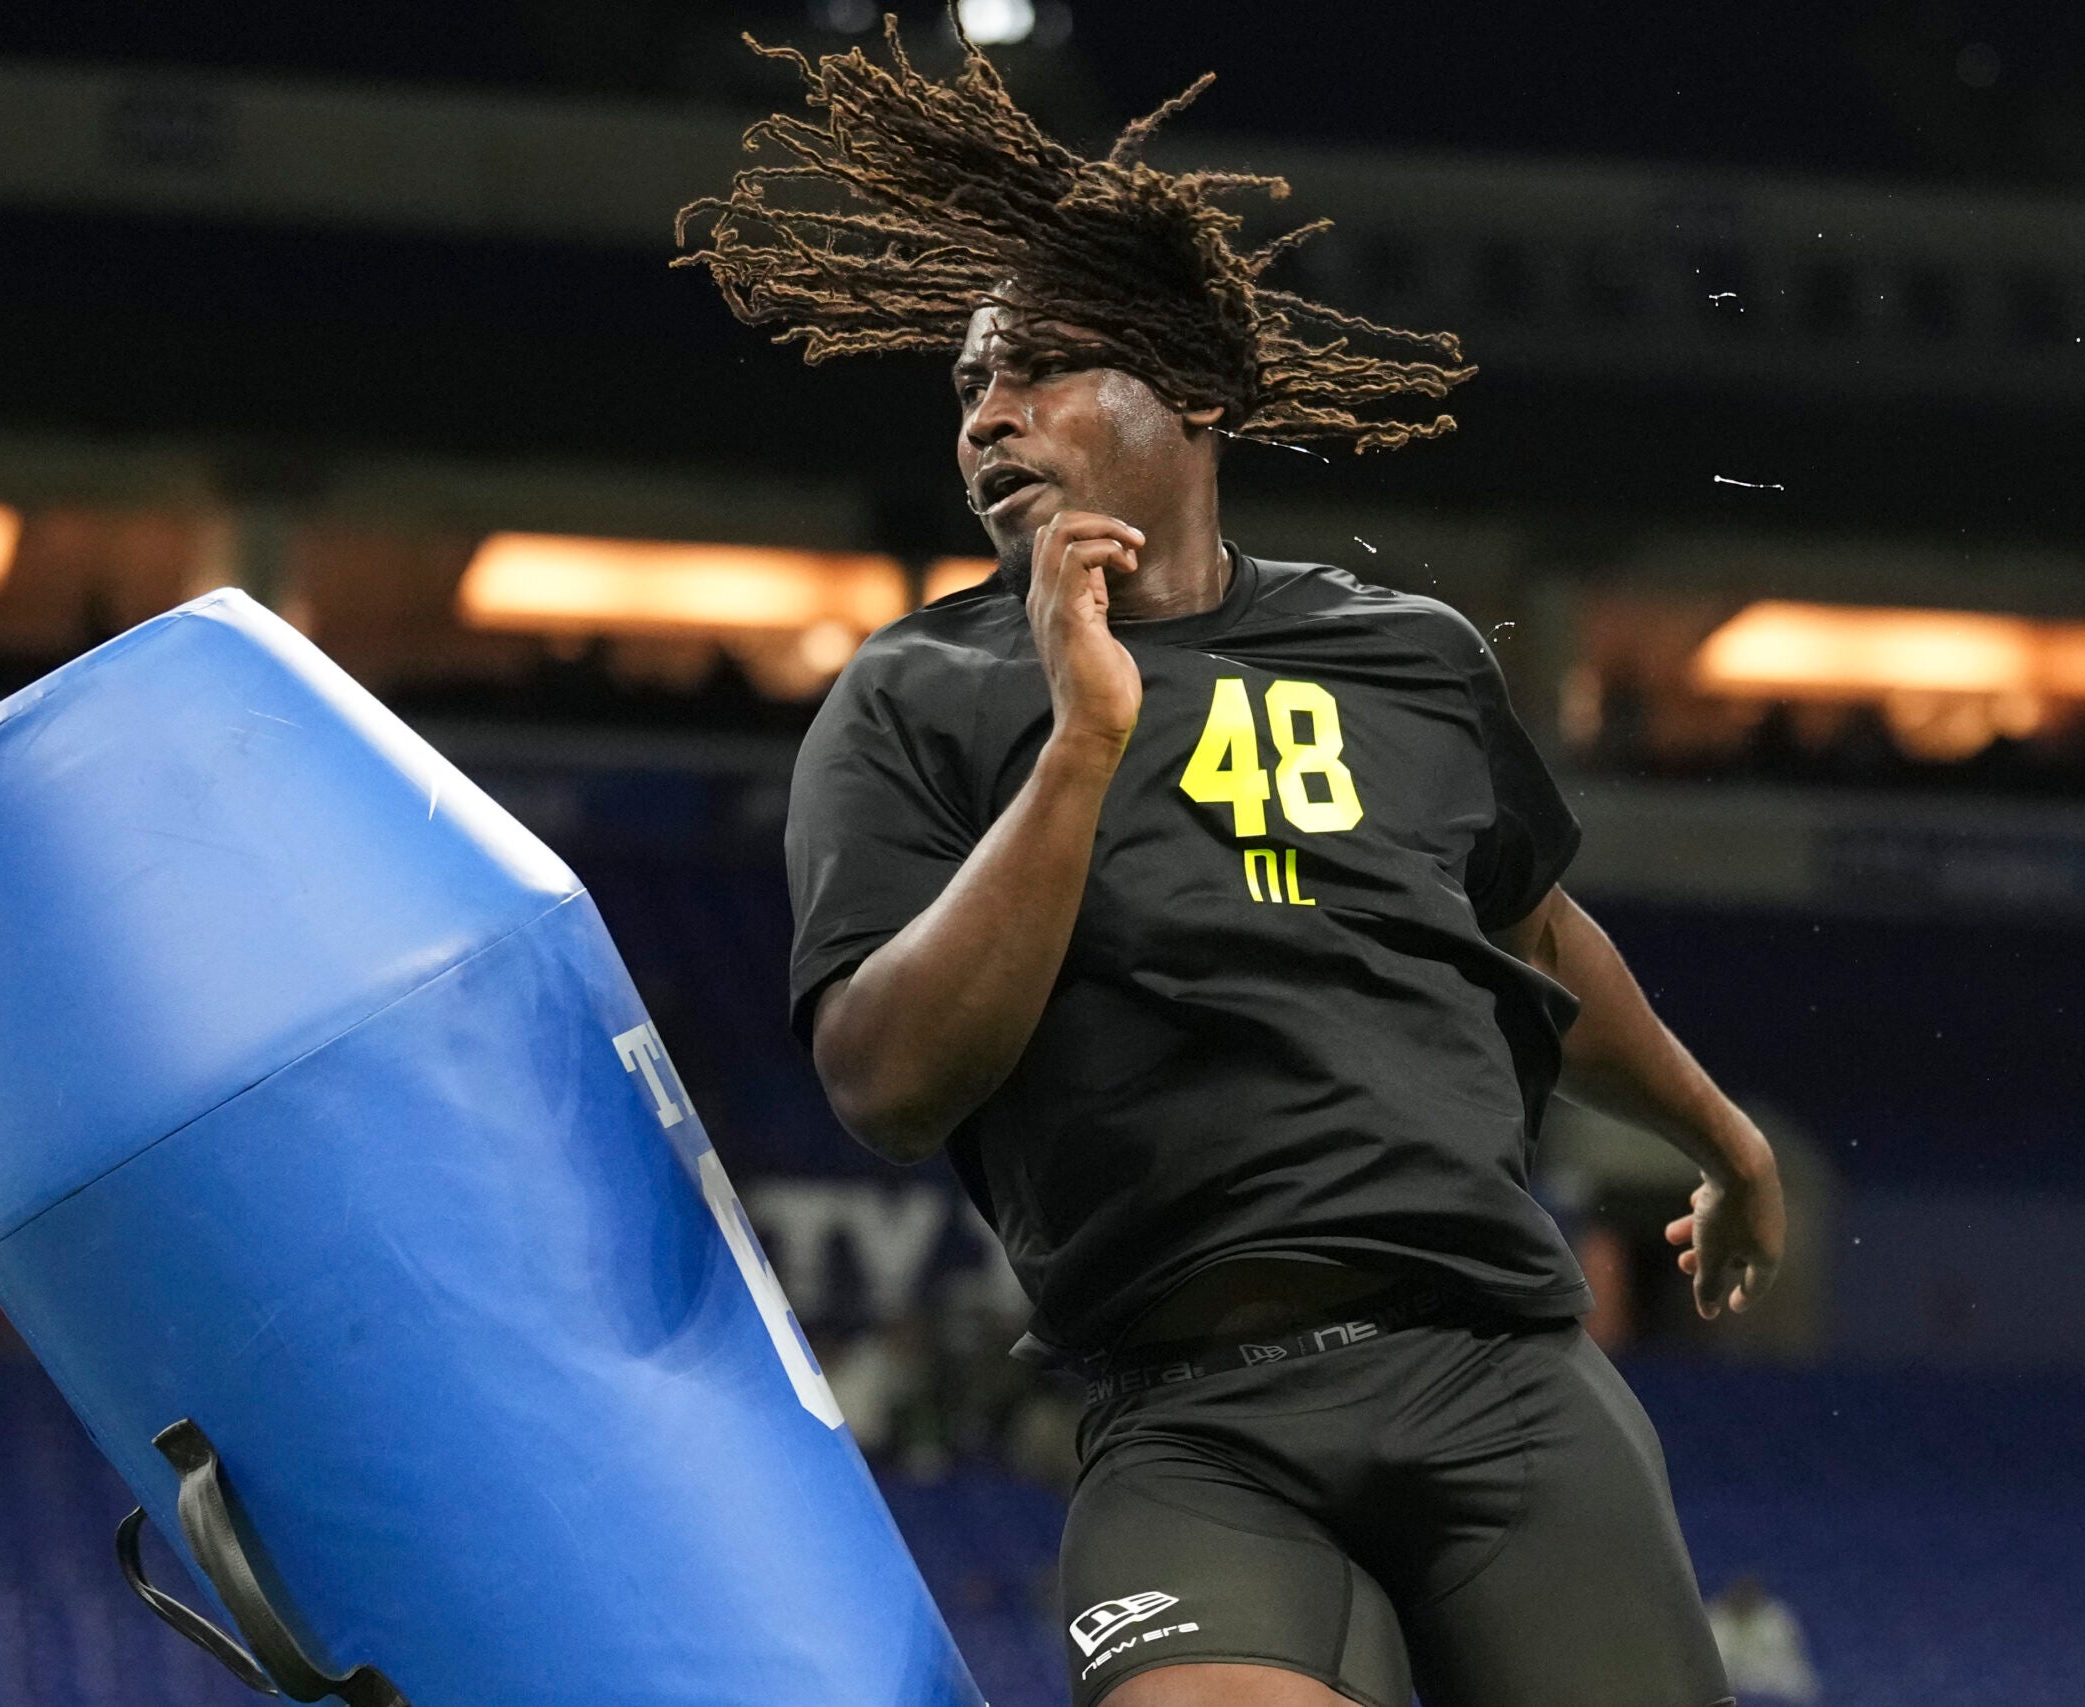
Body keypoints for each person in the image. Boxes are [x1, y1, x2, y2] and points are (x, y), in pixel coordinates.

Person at [681, 25, 1784, 1707]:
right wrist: (1082, 745)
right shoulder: (915, 696)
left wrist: (1724, 1137)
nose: (990, 416)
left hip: (1498, 1376)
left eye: (1040, 368)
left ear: (1195, 390)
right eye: (970, 387)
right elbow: (887, 1083)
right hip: (1189, 1419)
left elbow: (1537, 936)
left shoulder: (1412, 656)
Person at [1707, 1574, 1820, 1703]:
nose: (1744, 1600)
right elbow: (1715, 1662)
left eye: (1748, 1596)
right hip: (1733, 1683)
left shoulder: (1776, 1618)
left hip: (1771, 1681)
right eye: (1739, 1596)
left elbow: (1783, 1659)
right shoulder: (1714, 1619)